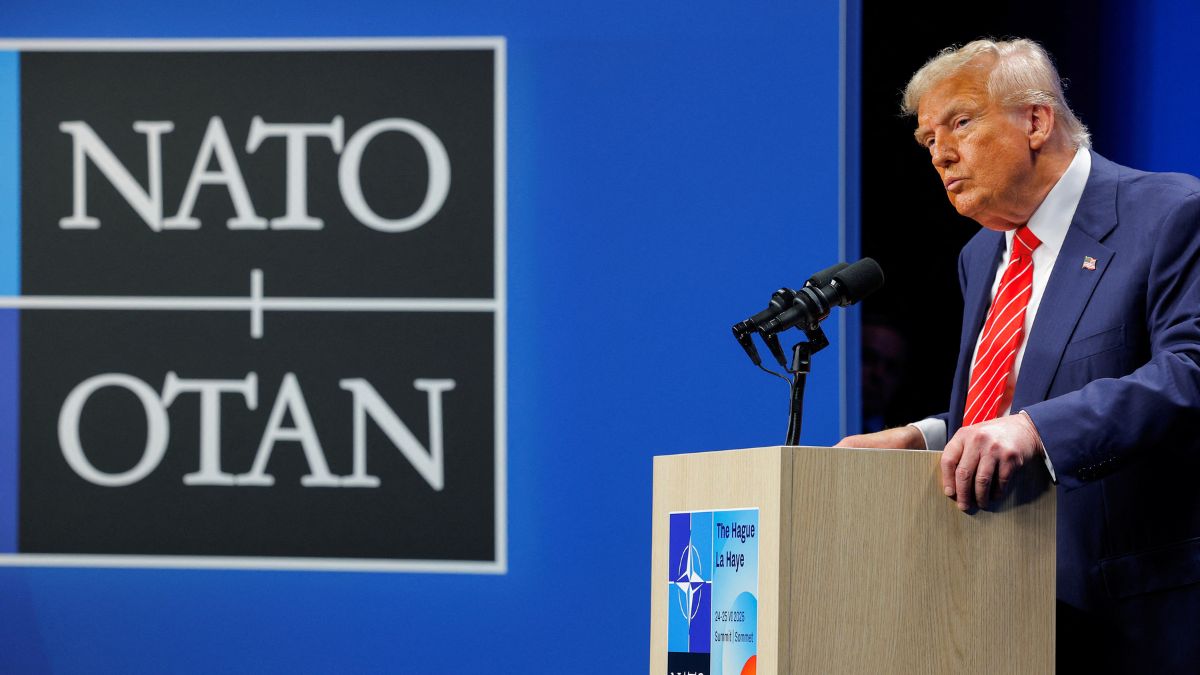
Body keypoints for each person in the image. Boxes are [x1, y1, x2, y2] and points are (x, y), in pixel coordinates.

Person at [838, 39, 1200, 672]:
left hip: (1128, 616)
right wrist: (926, 437)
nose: (941, 154)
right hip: (993, 601)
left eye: (960, 123)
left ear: (1035, 120)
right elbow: (1020, 399)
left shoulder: (1170, 213)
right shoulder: (982, 255)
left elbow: (1187, 370)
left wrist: (1034, 428)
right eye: (927, 141)